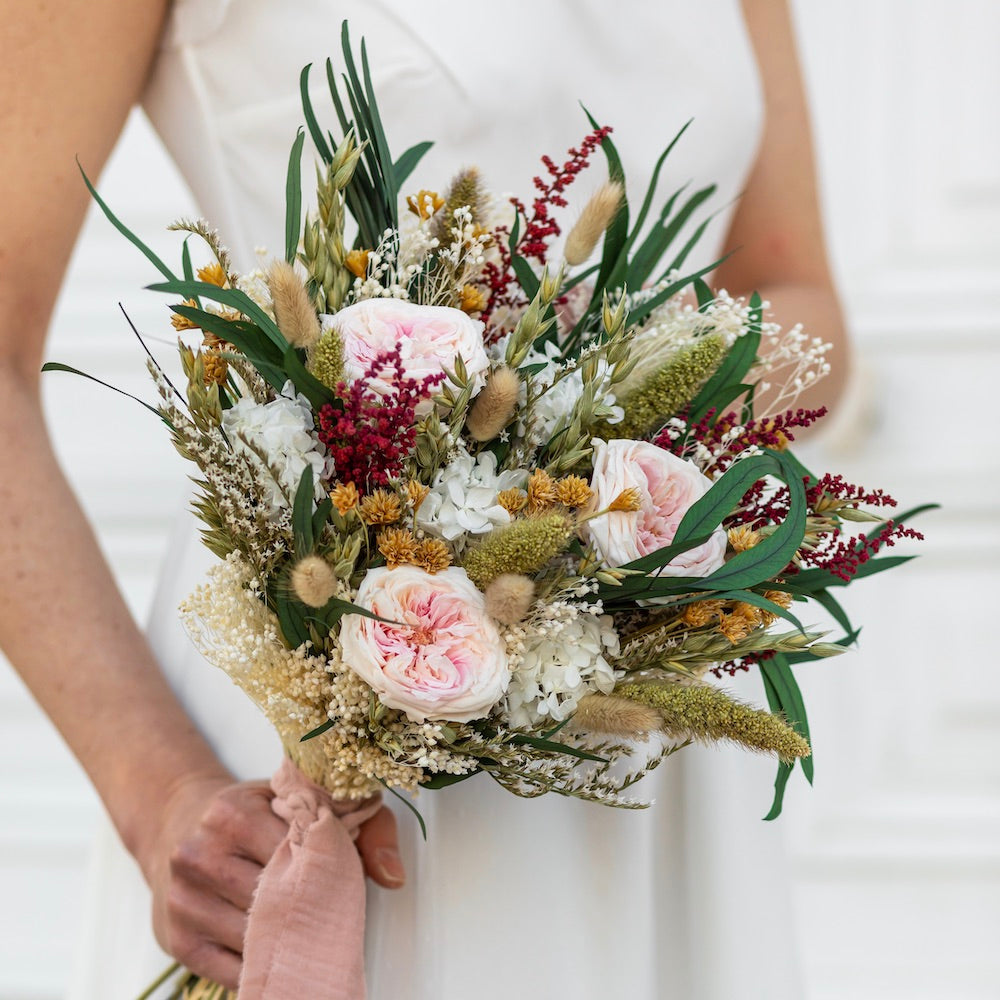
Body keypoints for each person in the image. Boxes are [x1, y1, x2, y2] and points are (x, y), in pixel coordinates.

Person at [1, 0, 848, 997]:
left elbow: (797, 297)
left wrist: (578, 451)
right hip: (332, 699)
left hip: (647, 703)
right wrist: (160, 792)